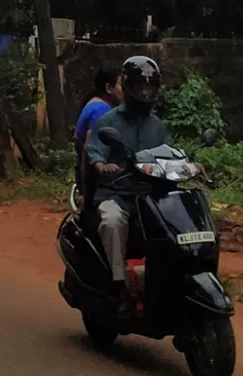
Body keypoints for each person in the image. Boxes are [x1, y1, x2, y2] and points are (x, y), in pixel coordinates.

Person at [85, 55, 168, 310]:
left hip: (150, 197)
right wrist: (102, 166)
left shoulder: (157, 126)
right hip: (116, 195)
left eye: (149, 86)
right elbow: (94, 150)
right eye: (140, 85)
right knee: (112, 221)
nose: (145, 91)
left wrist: (189, 164)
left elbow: (168, 153)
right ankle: (120, 286)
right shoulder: (108, 121)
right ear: (127, 85)